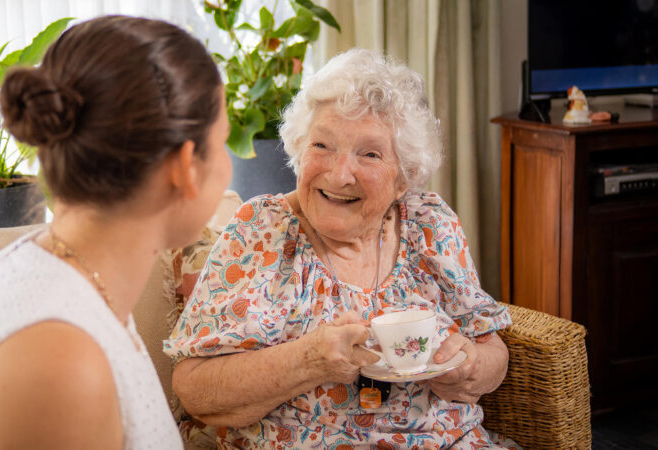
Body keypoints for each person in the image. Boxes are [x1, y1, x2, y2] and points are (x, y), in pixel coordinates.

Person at [0, 15, 231, 449]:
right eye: (225, 141)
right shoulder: (62, 367)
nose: (228, 168)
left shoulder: (61, 273)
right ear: (186, 167)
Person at [165, 49, 517, 449]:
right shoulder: (262, 231)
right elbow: (193, 388)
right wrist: (309, 360)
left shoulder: (430, 224)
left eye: (369, 154)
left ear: (404, 178)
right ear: (299, 151)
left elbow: (491, 346)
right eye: (322, 146)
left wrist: (468, 365)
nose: (340, 174)